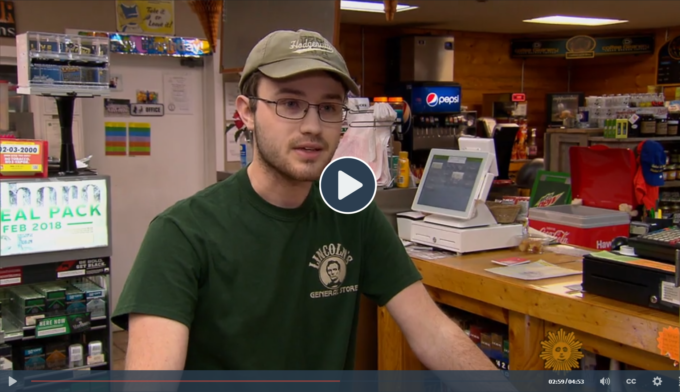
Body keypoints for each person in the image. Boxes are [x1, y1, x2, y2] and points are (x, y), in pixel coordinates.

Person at [111, 29, 499, 372]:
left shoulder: (352, 214)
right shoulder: (182, 233)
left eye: (328, 108)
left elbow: (431, 331)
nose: (312, 126)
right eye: (290, 104)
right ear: (246, 112)